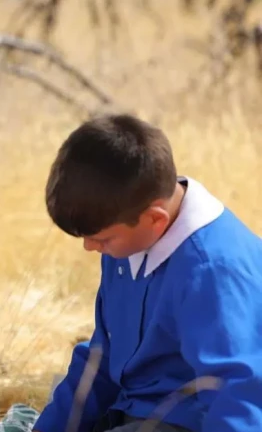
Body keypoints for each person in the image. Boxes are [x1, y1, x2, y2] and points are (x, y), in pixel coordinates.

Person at [33, 114, 262, 432]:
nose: (90, 247)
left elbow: (238, 395)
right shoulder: (126, 238)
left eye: (101, 238)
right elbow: (102, 357)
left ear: (154, 218)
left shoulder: (212, 270)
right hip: (131, 409)